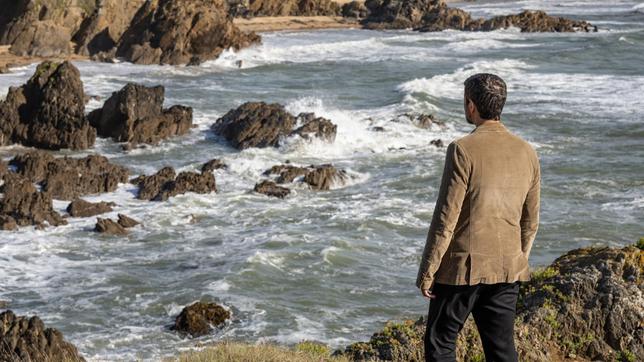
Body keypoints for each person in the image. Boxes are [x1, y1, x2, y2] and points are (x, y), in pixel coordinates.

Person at [416, 73, 541, 362]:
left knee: (440, 344)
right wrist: (517, 258)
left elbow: (446, 219)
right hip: (508, 268)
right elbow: (530, 221)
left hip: (463, 269)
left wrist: (428, 271)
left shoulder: (462, 149)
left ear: (471, 105)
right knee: (502, 351)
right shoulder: (528, 152)